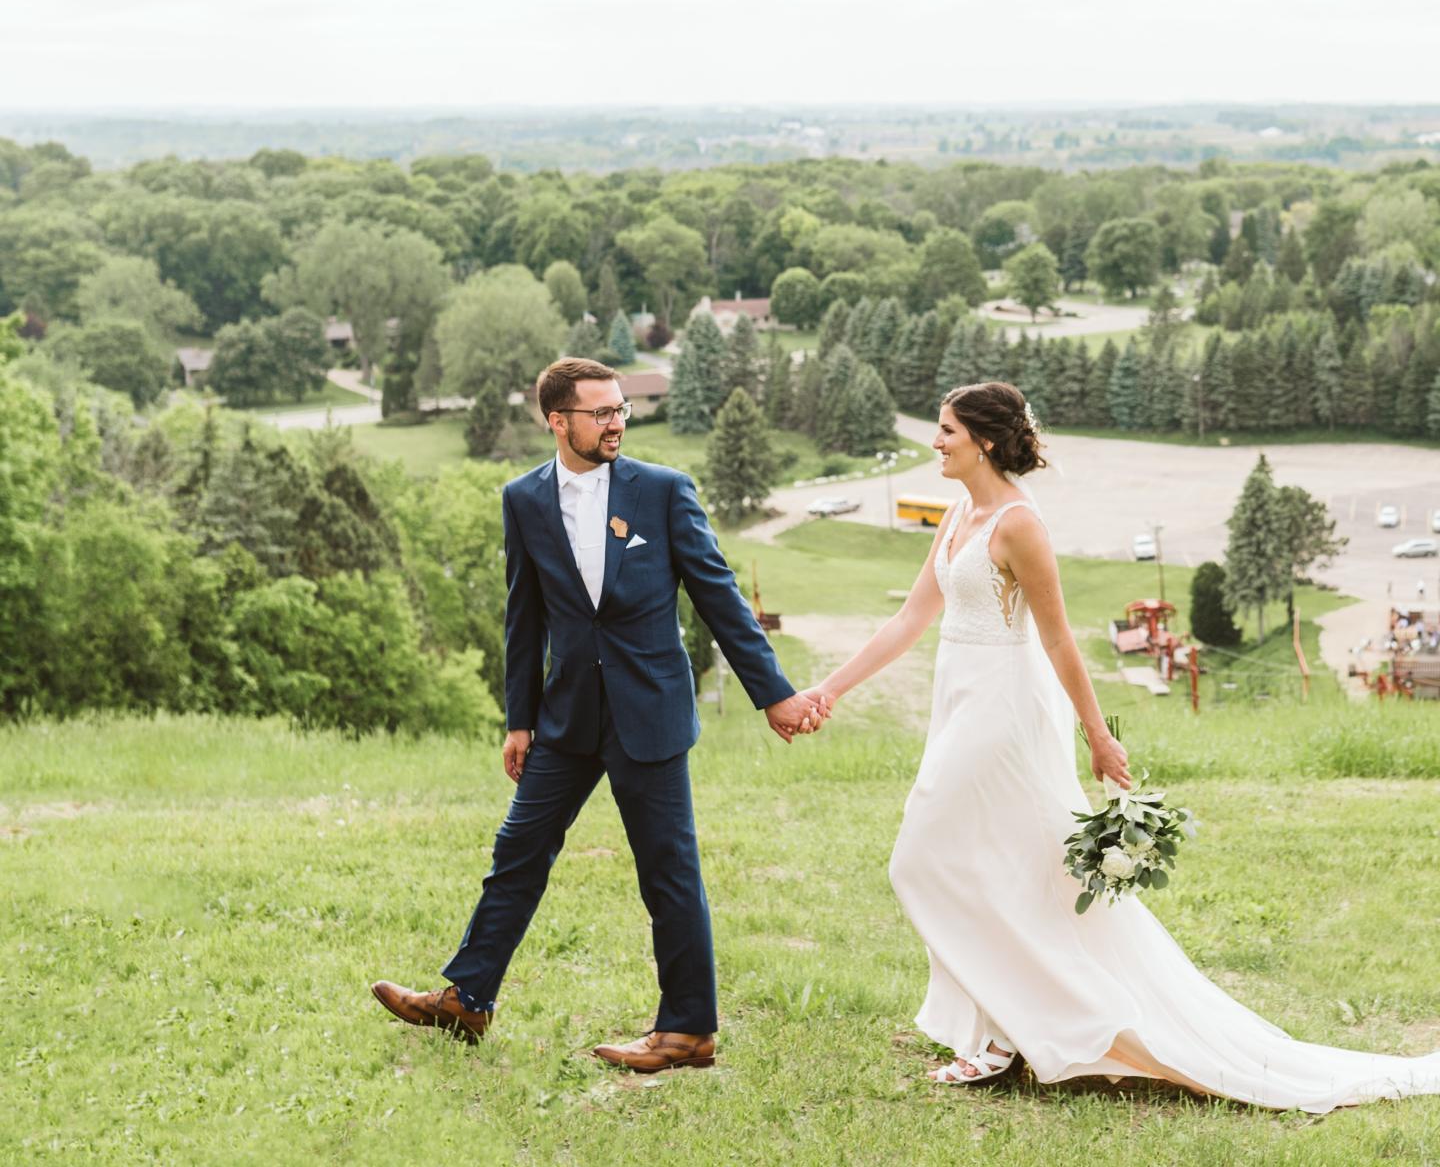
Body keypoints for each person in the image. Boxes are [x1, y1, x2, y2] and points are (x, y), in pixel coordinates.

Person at [800, 381, 1440, 1112]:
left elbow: (1059, 637)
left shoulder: (1018, 524)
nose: (935, 442)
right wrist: (831, 689)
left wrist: (1098, 736)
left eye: (945, 430)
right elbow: (912, 618)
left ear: (981, 439)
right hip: (958, 700)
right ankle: (1001, 1035)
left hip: (1006, 711)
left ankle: (1012, 1034)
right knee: (994, 863)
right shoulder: (956, 512)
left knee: (919, 857)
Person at [371, 357, 827, 1071]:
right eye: (601, 412)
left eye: (621, 410)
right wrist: (519, 720)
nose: (618, 422)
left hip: (649, 712)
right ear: (557, 421)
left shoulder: (665, 492)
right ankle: (467, 999)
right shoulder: (522, 499)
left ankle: (688, 1029)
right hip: (566, 717)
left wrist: (773, 694)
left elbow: (720, 600)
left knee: (667, 870)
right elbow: (524, 617)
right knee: (516, 853)